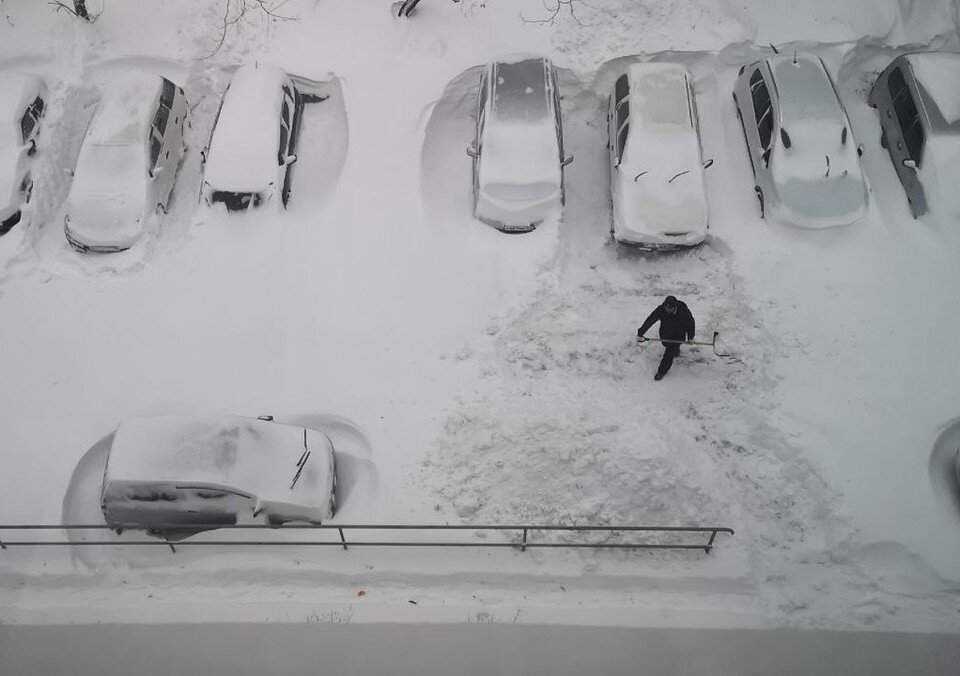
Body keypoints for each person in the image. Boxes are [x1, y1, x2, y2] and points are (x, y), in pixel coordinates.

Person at [637, 295, 696, 381]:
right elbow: (650, 320)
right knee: (670, 347)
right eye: (666, 307)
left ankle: (661, 372)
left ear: (675, 307)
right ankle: (676, 350)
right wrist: (640, 333)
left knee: (670, 352)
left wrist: (691, 337)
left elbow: (690, 324)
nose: (667, 309)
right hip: (666, 333)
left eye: (670, 308)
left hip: (678, 334)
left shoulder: (684, 311)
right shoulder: (661, 309)